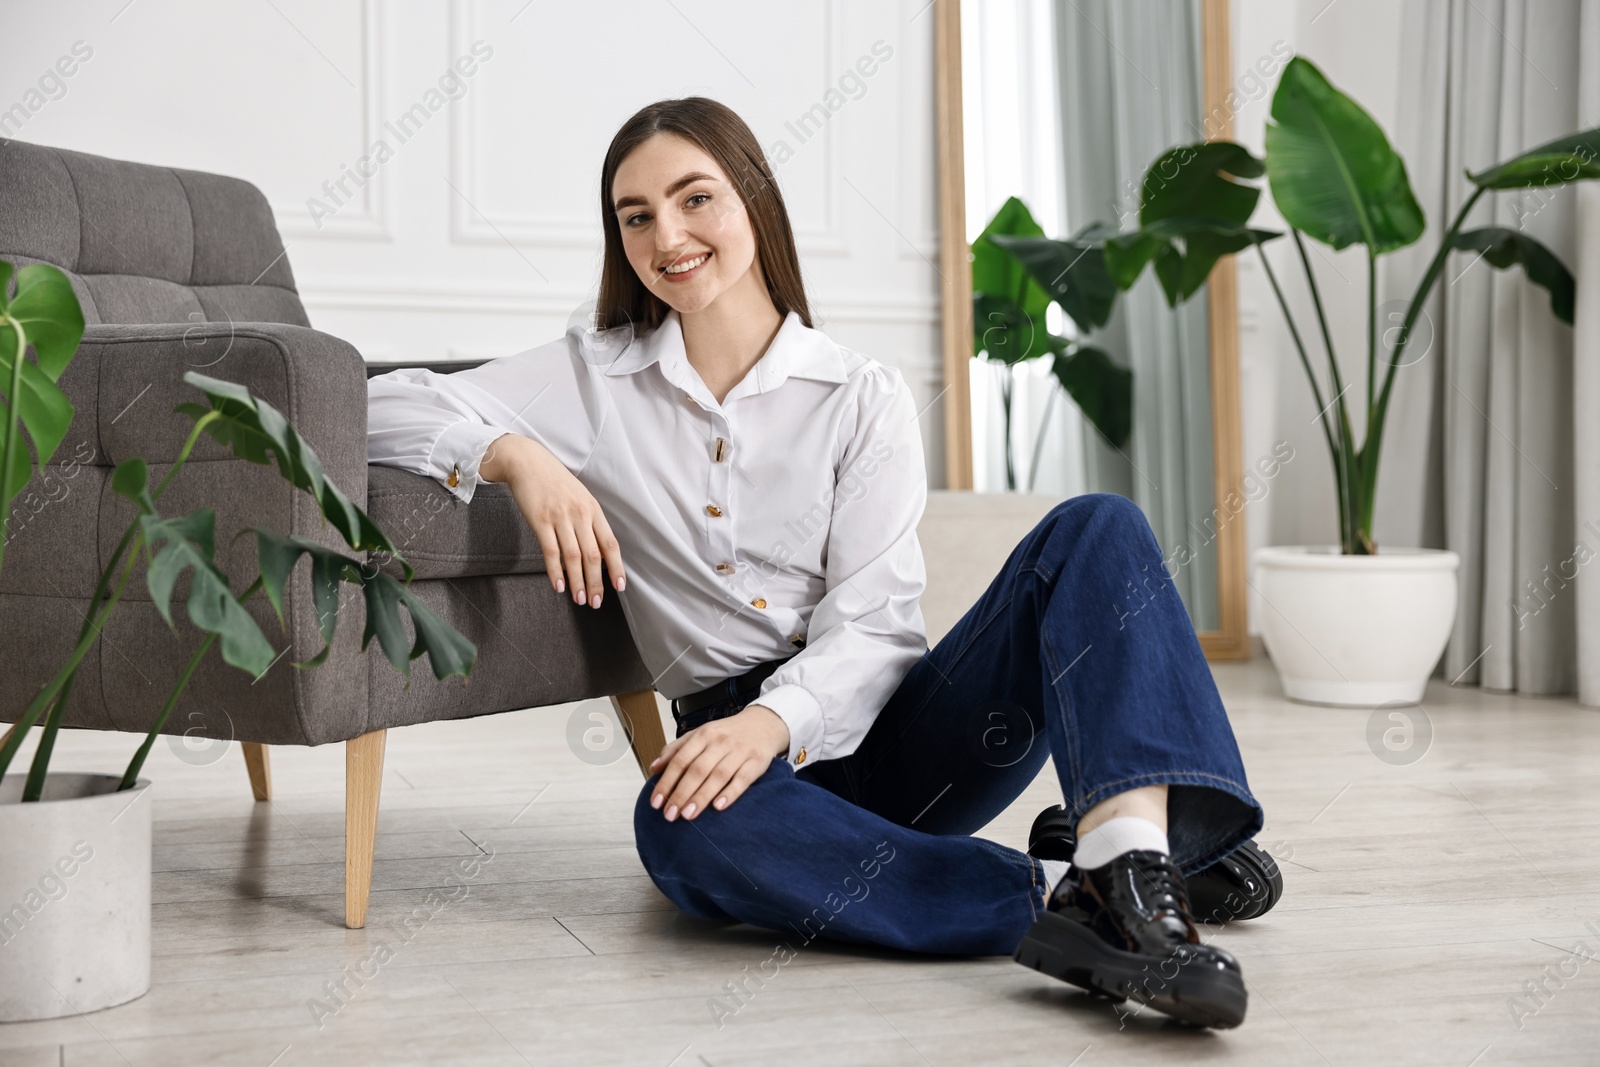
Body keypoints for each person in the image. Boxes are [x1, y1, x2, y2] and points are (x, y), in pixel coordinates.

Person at [366, 97, 1280, 1030]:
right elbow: (379, 403)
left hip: (906, 734)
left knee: (1098, 527)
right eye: (635, 215)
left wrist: (774, 721)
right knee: (679, 826)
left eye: (694, 199)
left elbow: (879, 623)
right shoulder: (592, 377)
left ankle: (1127, 850)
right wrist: (516, 458)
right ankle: (1074, 886)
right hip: (744, 763)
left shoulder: (859, 394)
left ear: (755, 200)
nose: (667, 235)